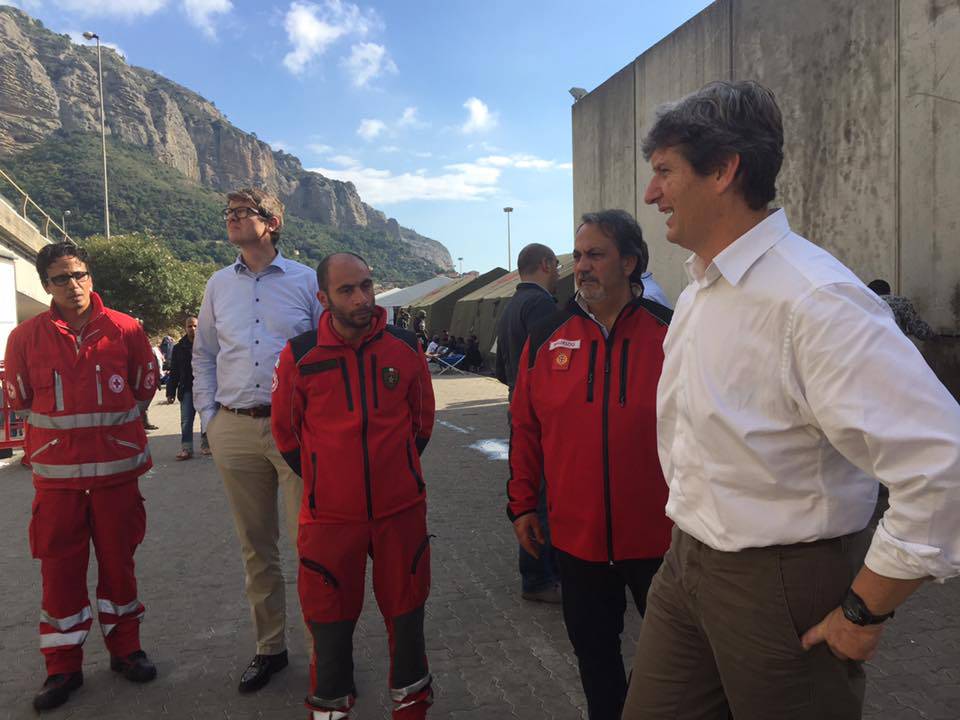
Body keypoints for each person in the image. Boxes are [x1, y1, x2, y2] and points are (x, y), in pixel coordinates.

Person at [624, 80, 960, 720]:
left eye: (664, 171)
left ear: (724, 170)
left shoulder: (814, 298)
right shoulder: (698, 292)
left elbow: (942, 465)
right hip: (687, 563)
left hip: (779, 585)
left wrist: (866, 608)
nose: (651, 193)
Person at [507, 214, 672, 719]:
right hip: (577, 542)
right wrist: (521, 506)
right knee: (596, 661)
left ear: (629, 261)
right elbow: (526, 429)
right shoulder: (546, 335)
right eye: (577, 257)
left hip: (662, 541)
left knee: (684, 665)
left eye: (595, 255)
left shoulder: (672, 334)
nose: (581, 267)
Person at [272, 252, 436, 719]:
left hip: (400, 513)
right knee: (330, 633)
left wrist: (395, 470)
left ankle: (412, 710)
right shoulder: (300, 355)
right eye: (347, 290)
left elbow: (422, 422)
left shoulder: (405, 348)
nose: (362, 298)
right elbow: (287, 434)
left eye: (366, 285)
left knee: (407, 627)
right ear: (323, 298)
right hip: (329, 521)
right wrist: (330, 481)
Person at [4, 242, 160, 711]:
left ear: (90, 277)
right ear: (44, 285)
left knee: (120, 567)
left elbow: (144, 385)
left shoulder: (125, 329)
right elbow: (20, 397)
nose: (73, 285)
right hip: (57, 485)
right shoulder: (25, 339)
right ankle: (62, 669)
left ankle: (126, 651)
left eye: (80, 275)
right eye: (61, 278)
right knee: (59, 576)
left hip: (116, 478)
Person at [193, 187, 323, 693]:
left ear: (271, 223)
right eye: (227, 212)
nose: (231, 219)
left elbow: (324, 355)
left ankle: (323, 654)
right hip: (234, 427)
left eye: (242, 212)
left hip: (293, 430)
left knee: (307, 542)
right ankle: (270, 648)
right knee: (256, 548)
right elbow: (204, 353)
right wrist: (209, 418)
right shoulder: (217, 285)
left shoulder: (307, 282)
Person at [496, 243, 563, 603]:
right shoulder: (540, 305)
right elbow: (552, 358)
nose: (559, 275)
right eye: (556, 267)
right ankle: (539, 577)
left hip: (517, 403)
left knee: (533, 490)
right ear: (546, 265)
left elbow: (499, 366)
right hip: (536, 412)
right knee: (541, 496)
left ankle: (539, 573)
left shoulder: (510, 307)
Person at [165, 316, 209, 459]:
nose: (193, 329)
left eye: (195, 326)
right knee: (186, 420)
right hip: (187, 389)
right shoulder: (179, 348)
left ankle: (207, 445)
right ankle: (187, 449)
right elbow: (174, 372)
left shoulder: (207, 345)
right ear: (185, 328)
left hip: (205, 388)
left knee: (207, 418)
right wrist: (170, 391)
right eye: (190, 326)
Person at [867, 279, 936, 340]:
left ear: (869, 292)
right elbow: (919, 330)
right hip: (895, 348)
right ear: (889, 292)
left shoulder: (863, 302)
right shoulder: (900, 302)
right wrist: (933, 336)